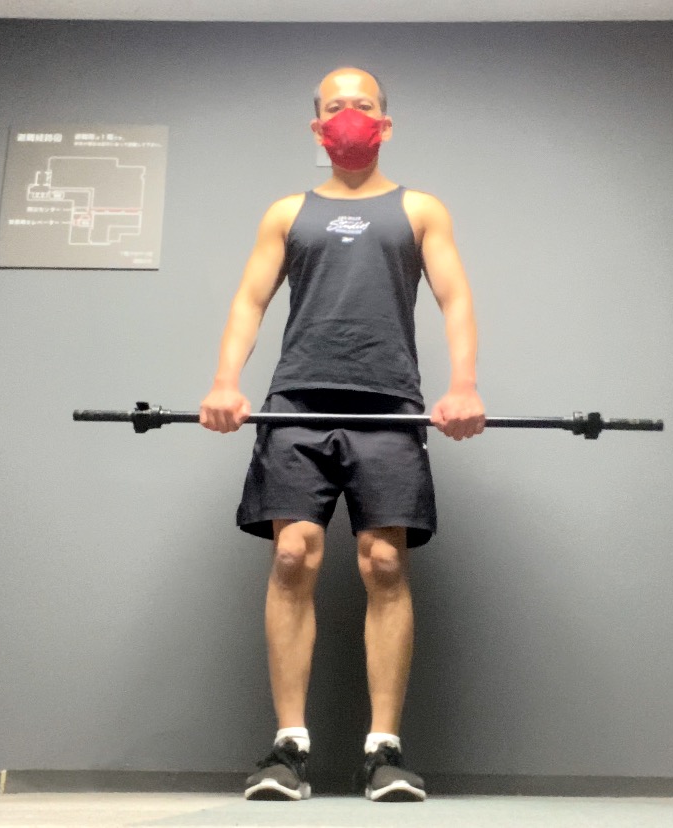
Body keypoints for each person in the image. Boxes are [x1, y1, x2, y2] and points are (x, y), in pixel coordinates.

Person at [199, 66, 485, 802]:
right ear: (316, 126)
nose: (349, 114)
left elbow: (454, 297)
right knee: (292, 555)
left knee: (384, 564)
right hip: (296, 401)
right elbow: (249, 301)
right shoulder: (287, 212)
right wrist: (226, 382)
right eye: (335, 106)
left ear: (385, 122)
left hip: (388, 405)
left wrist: (462, 385)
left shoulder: (419, 208)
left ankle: (383, 751)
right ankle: (288, 749)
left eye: (363, 104)